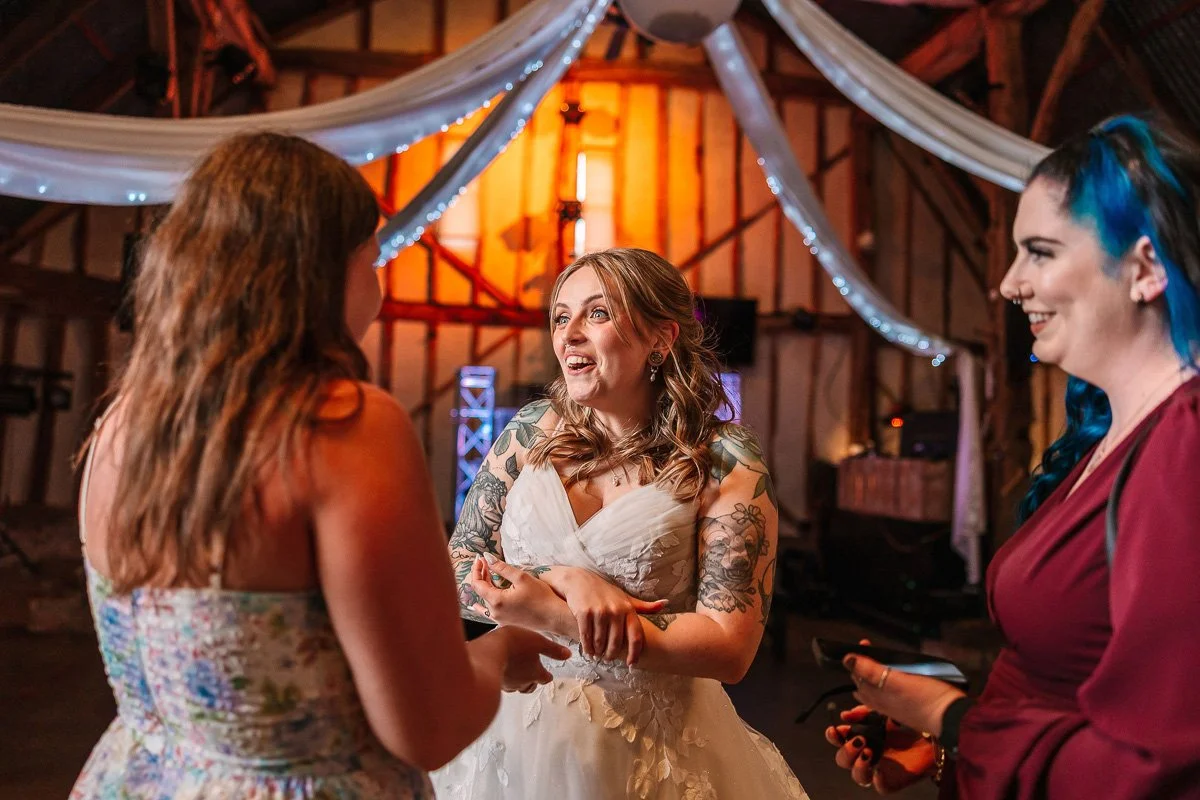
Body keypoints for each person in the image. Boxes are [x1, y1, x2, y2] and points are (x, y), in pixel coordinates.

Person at [70, 131, 568, 799]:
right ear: (319, 271)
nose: (379, 288)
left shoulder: (121, 423)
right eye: (374, 259)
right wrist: (501, 646)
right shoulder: (344, 426)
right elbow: (430, 729)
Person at [825, 113, 1200, 798]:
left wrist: (955, 719)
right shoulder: (1117, 432)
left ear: (1145, 267)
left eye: (1040, 251)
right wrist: (944, 745)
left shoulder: (1184, 444)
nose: (1007, 284)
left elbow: (1158, 767)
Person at [430, 247, 808, 800]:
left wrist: (554, 617)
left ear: (661, 338)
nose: (570, 334)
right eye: (561, 316)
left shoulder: (725, 459)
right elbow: (457, 562)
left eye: (598, 313)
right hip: (514, 738)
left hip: (649, 751)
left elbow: (730, 647)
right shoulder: (530, 431)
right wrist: (560, 575)